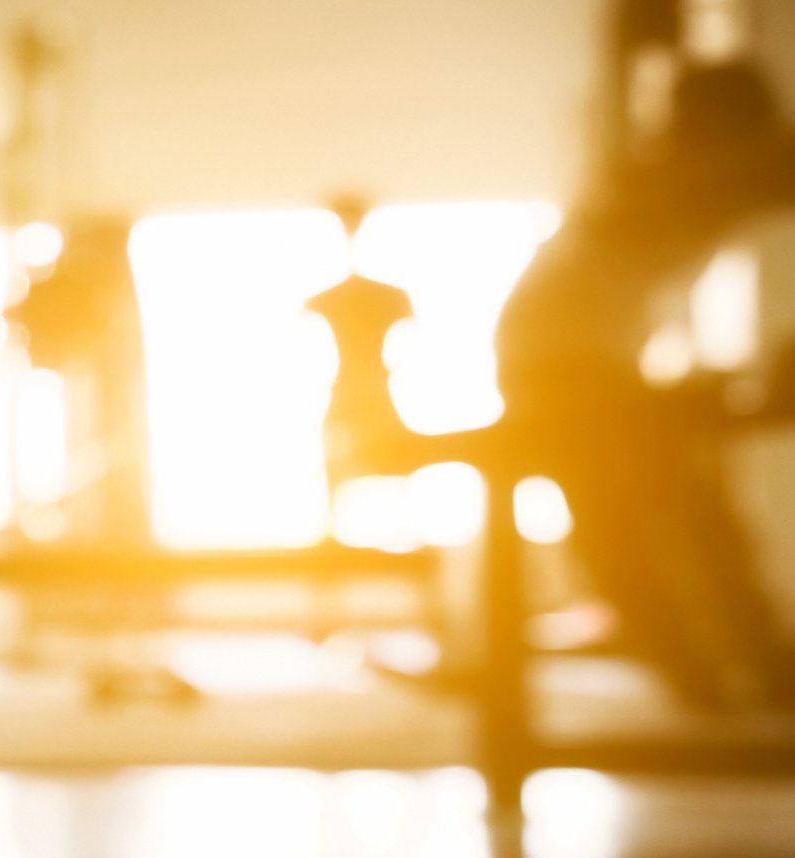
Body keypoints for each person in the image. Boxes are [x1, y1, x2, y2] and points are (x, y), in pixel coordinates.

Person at [494, 61, 795, 710]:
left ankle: (735, 680)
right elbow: (760, 174)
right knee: (638, 527)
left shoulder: (671, 174)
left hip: (580, 366)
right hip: (559, 373)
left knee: (675, 520)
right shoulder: (657, 175)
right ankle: (726, 682)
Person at [305, 196, 419, 486]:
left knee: (396, 461)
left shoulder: (389, 296)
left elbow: (412, 343)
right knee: (337, 460)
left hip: (371, 388)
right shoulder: (329, 299)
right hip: (350, 388)